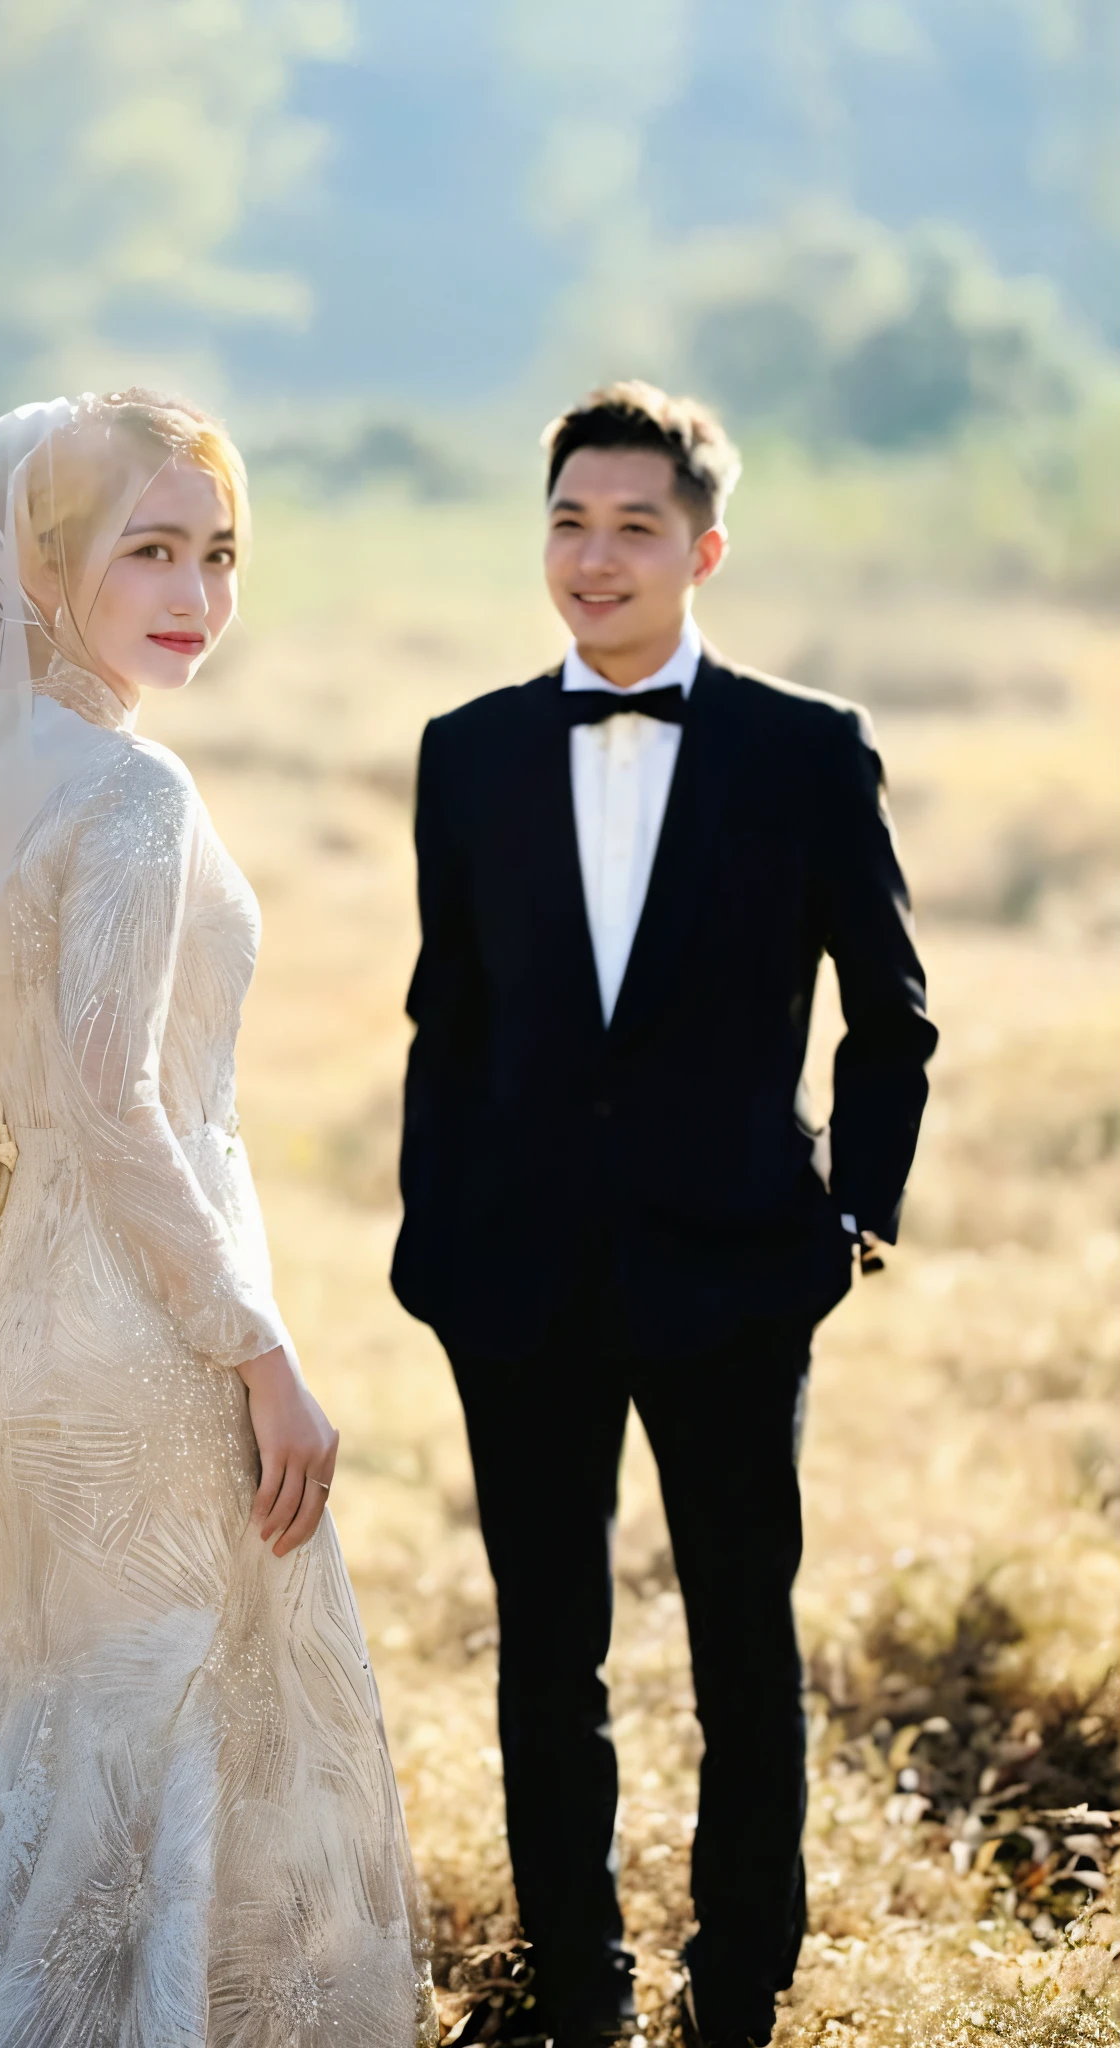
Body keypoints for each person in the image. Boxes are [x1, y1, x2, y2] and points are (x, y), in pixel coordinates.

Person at [0, 392, 435, 2046]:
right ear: (45, 558)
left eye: (218, 556)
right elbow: (114, 1101)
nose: (196, 598)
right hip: (147, 1337)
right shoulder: (131, 796)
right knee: (174, 1726)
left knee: (65, 1726)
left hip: (24, 1325)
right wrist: (261, 1347)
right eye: (151, 551)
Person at [391, 382, 937, 2048]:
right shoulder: (469, 752)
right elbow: (449, 1020)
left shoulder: (808, 751)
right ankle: (577, 1981)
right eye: (568, 520)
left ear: (704, 549)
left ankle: (741, 1984)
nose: (595, 554)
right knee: (546, 1656)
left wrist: (856, 1220)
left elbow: (891, 1011)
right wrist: (435, 1247)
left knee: (741, 1652)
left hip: (738, 1274)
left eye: (634, 525)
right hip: (520, 1285)